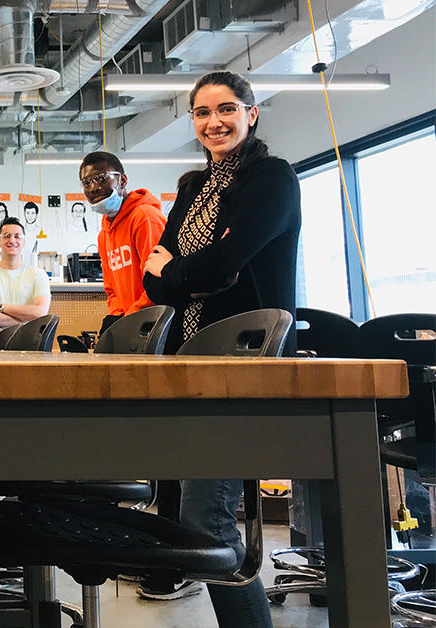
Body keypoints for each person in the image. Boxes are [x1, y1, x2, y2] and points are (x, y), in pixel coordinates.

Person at [142, 71, 300, 627]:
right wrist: (187, 274)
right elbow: (154, 281)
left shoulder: (271, 179)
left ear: (251, 113)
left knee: (206, 521)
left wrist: (182, 271)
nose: (215, 122)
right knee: (196, 518)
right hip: (188, 361)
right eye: (203, 112)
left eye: (227, 109)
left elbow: (218, 267)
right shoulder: (191, 186)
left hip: (241, 364)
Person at [78, 151, 167, 333]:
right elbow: (112, 289)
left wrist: (132, 318)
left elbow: (159, 281)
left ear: (123, 180)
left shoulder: (145, 218)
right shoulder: (105, 233)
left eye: (101, 178)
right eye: (87, 182)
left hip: (153, 322)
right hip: (131, 321)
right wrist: (117, 317)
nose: (93, 187)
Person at [0, 217, 51, 336]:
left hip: (30, 347)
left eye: (17, 236)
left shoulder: (38, 275)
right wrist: (24, 322)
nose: (12, 240)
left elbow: (40, 312)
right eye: (7, 236)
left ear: (24, 242)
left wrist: (1, 307)